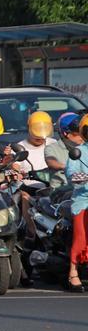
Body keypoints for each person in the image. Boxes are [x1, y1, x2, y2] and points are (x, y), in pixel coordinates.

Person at [18, 111, 56, 241]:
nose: (40, 141)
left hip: (51, 188)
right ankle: (31, 233)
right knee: (24, 197)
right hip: (29, 190)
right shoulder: (20, 147)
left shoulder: (53, 144)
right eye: (37, 138)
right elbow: (15, 165)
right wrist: (17, 171)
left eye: (42, 138)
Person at [65, 114, 88, 293]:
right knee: (81, 236)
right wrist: (81, 178)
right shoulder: (79, 152)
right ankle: (73, 271)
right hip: (84, 200)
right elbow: (71, 173)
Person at [46, 113, 82, 189]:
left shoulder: (85, 147)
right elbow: (51, 161)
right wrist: (67, 167)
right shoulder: (52, 148)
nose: (81, 135)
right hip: (61, 190)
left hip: (83, 189)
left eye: (83, 132)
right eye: (78, 132)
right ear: (66, 133)